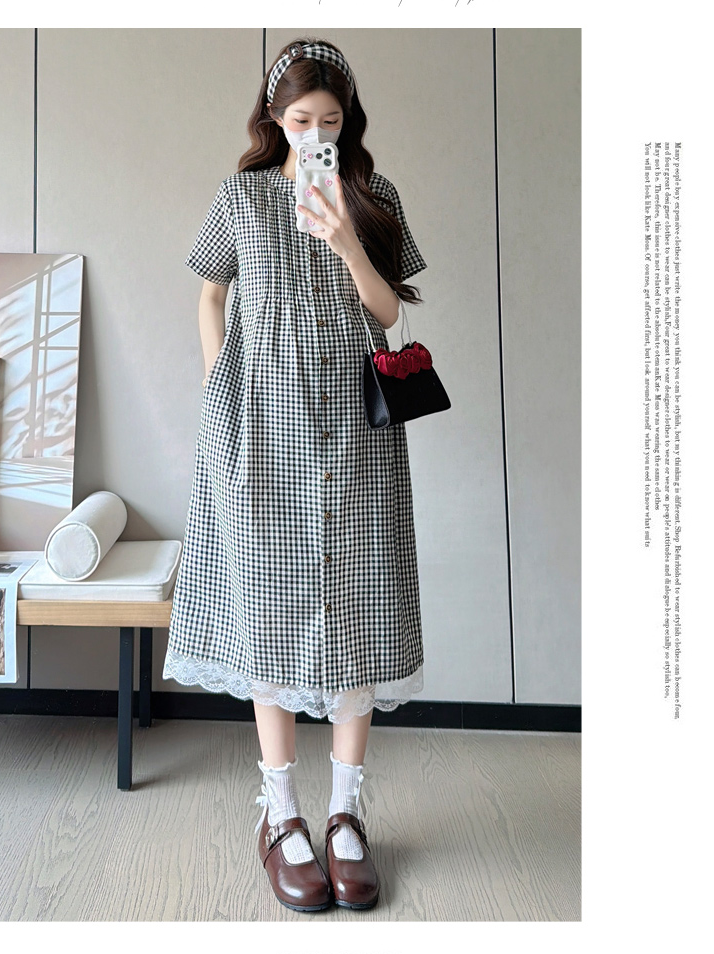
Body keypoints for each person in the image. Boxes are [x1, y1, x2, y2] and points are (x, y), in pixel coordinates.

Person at [162, 36, 427, 914]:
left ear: (348, 123)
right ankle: (281, 816)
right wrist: (218, 385)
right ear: (275, 120)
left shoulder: (373, 197)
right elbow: (209, 291)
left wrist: (346, 237)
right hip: (259, 430)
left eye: (331, 120)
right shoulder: (239, 197)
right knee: (266, 610)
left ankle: (346, 814)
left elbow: (387, 312)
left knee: (359, 604)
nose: (316, 132)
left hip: (356, 430)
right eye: (301, 119)